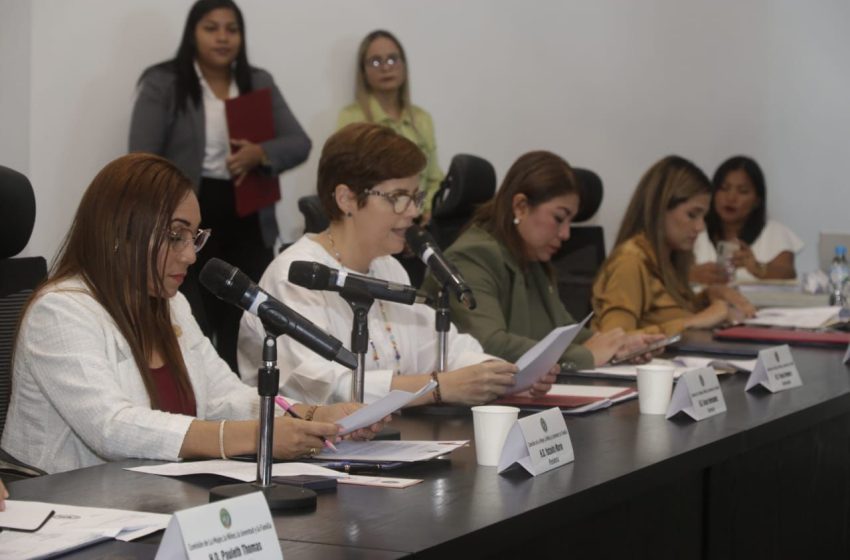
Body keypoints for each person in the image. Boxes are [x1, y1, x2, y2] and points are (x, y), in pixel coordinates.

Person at [0, 154, 378, 475]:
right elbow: (110, 427)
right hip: (71, 515)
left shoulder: (170, 303)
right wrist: (255, 436)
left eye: (194, 237)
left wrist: (311, 415)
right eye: (174, 236)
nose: (190, 255)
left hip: (155, 499)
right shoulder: (60, 310)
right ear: (120, 234)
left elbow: (221, 398)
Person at [238, 124, 556, 405]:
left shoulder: (387, 267)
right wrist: (436, 388)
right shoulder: (294, 276)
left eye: (416, 198)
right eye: (398, 197)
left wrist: (507, 374)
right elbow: (321, 388)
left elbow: (445, 348)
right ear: (346, 199)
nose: (412, 212)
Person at [129, 0, 311, 371]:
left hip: (247, 217)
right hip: (184, 219)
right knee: (190, 317)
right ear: (192, 34)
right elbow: (141, 155)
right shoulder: (164, 82)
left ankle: (241, 405)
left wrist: (260, 153)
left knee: (245, 322)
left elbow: (299, 142)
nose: (223, 37)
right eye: (211, 28)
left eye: (232, 29)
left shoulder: (257, 81)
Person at [425, 151, 663, 371]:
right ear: (520, 207)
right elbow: (488, 344)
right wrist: (586, 356)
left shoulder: (530, 258)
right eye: (559, 218)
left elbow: (564, 333)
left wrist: (620, 346)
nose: (566, 234)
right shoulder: (471, 257)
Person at [592, 155, 755, 335]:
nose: (700, 227)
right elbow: (614, 341)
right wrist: (692, 322)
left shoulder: (670, 258)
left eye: (703, 217)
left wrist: (707, 298)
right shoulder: (630, 262)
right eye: (692, 215)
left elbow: (665, 312)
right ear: (660, 209)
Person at [337, 30, 443, 221]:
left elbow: (434, 178)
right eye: (376, 62)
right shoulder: (351, 118)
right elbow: (346, 180)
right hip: (371, 222)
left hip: (418, 219)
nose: (386, 68)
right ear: (363, 71)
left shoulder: (421, 118)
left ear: (404, 65)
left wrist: (423, 208)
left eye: (392, 59)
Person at [691, 156, 803, 284]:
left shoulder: (775, 232)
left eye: (743, 191)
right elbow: (670, 272)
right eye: (724, 188)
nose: (731, 198)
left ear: (757, 201)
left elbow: (788, 273)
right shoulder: (695, 229)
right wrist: (692, 275)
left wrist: (758, 268)